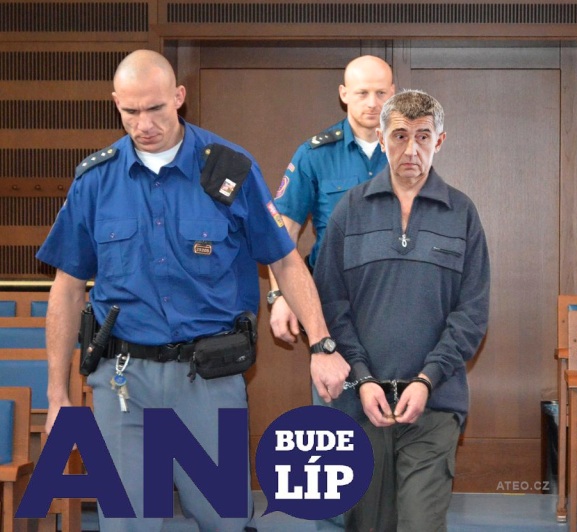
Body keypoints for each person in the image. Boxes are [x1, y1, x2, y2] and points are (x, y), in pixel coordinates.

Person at [36, 49, 349, 532]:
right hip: (123, 383)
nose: (144, 124)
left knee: (223, 520)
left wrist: (322, 344)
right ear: (116, 103)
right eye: (131, 111)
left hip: (208, 380)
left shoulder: (230, 169)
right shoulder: (96, 180)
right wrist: (58, 394)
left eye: (156, 108)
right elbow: (68, 288)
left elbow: (285, 260)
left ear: (179, 97)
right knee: (127, 524)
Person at [313, 89, 490, 531]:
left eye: (423, 136)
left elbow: (471, 313)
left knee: (419, 523)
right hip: (361, 403)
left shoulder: (462, 213)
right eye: (399, 136)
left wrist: (428, 379)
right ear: (381, 138)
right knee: (367, 525)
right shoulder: (349, 210)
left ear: (439, 141)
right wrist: (362, 377)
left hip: (434, 404)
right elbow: (332, 305)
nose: (411, 149)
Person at [268, 55, 395, 345]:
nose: (372, 103)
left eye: (380, 93)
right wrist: (281, 295)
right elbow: (281, 232)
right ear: (344, 94)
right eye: (362, 93)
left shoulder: (408, 152)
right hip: (332, 304)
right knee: (336, 375)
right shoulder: (315, 155)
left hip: (395, 299)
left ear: (393, 93)